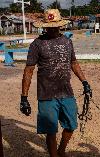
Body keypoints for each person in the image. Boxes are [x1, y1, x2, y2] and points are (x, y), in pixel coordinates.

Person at [20, 9, 92, 157]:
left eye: (55, 26)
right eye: (49, 26)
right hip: (46, 94)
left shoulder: (67, 42)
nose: (52, 29)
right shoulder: (37, 44)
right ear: (45, 27)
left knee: (71, 125)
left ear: (60, 25)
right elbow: (28, 71)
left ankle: (61, 150)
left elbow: (74, 63)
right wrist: (24, 98)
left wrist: (84, 82)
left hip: (66, 92)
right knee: (51, 130)